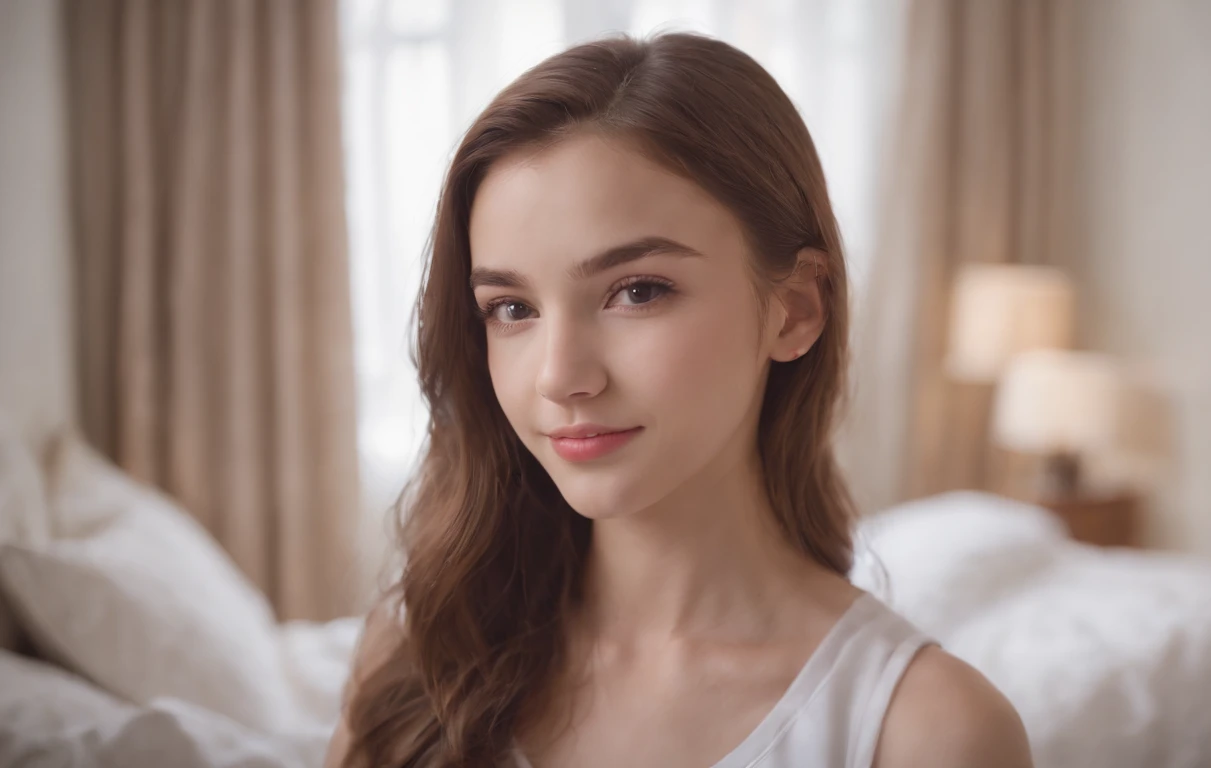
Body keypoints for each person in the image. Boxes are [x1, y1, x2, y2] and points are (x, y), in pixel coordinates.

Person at [327, 32, 1032, 768]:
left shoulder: (927, 731)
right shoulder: (418, 660)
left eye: (637, 292)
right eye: (512, 309)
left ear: (794, 310)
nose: (560, 376)